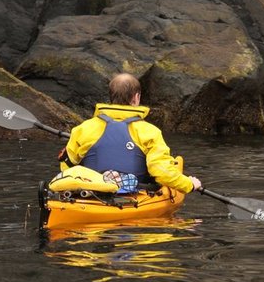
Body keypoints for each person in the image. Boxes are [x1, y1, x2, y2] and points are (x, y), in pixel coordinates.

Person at [58, 73, 201, 193]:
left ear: (111, 97)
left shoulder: (84, 128)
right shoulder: (150, 132)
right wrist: (189, 184)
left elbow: (66, 166)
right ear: (136, 97)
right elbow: (162, 172)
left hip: (90, 193)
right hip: (135, 195)